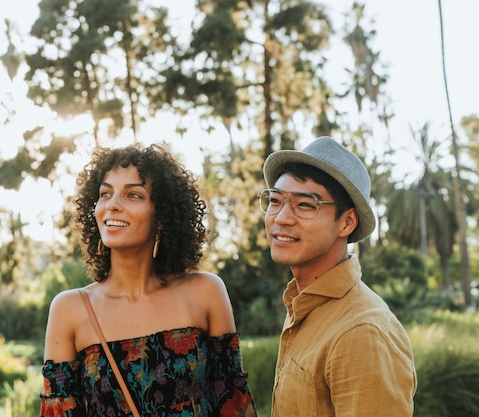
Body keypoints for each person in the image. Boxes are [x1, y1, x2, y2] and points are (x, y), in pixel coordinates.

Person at [40, 144, 257, 417]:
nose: (112, 205)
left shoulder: (206, 292)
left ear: (162, 217)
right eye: (105, 193)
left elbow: (235, 406)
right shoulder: (69, 309)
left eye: (133, 194)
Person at [259, 136, 417, 416]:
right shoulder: (305, 303)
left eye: (305, 205)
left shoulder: (361, 332)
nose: (281, 217)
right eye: (275, 200)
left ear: (347, 221)